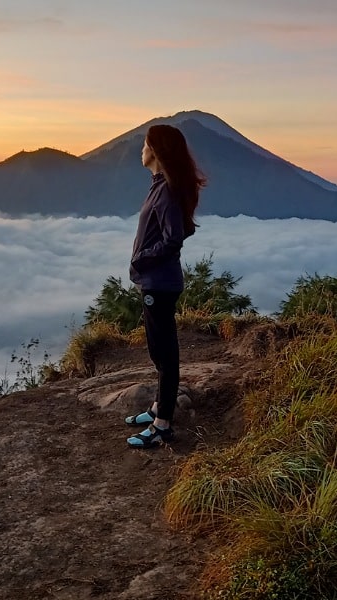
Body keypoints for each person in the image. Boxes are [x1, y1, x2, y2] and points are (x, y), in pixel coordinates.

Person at [125, 124, 206, 449]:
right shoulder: (160, 186)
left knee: (165, 354)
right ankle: (160, 407)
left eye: (144, 145)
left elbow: (174, 238)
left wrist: (144, 258)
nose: (140, 151)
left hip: (158, 283)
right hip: (156, 281)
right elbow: (183, 230)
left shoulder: (166, 191)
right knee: (158, 351)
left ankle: (162, 424)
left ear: (155, 152)